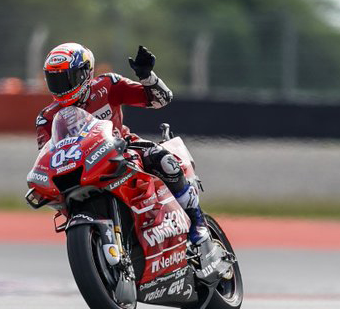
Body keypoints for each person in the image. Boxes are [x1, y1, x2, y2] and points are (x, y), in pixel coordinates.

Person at [35, 42, 217, 264]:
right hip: (82, 168)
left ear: (85, 73)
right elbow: (49, 152)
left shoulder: (107, 85)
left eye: (66, 78)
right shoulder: (47, 118)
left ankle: (197, 221)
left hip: (123, 148)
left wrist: (147, 76)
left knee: (164, 160)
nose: (61, 86)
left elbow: (161, 100)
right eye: (55, 79)